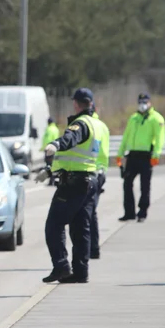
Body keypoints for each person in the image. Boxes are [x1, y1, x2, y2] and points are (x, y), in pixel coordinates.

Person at [36, 88, 104, 284]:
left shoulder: (80, 123)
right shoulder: (97, 124)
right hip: (89, 180)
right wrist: (51, 171)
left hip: (74, 183)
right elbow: (78, 155)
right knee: (80, 227)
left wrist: (56, 144)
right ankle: (81, 272)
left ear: (76, 103)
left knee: (54, 225)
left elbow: (70, 139)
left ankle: (61, 266)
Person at [116, 93, 165, 222]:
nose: (142, 104)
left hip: (146, 156)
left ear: (150, 102)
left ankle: (142, 212)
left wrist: (156, 154)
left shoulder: (156, 119)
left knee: (145, 186)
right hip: (132, 155)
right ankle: (129, 212)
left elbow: (160, 138)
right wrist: (120, 153)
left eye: (145, 102)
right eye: (140, 102)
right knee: (127, 183)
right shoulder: (133, 118)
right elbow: (126, 136)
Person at [90, 106, 110, 259]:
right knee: (90, 211)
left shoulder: (92, 125)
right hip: (99, 171)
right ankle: (93, 249)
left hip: (93, 171)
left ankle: (93, 248)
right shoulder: (101, 125)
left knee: (89, 212)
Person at [41, 117, 61, 186]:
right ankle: (52, 179)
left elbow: (48, 140)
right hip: (54, 149)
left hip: (49, 149)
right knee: (52, 165)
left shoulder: (49, 129)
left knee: (49, 165)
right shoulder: (56, 129)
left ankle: (51, 180)